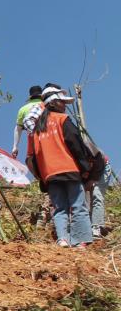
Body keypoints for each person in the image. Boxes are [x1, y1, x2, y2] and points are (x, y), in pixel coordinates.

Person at [26, 85, 94, 249]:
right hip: (69, 169)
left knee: (59, 208)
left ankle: (63, 239)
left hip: (50, 175)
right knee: (78, 206)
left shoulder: (37, 129)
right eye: (62, 102)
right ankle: (80, 241)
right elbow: (75, 144)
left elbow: (35, 156)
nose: (64, 105)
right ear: (53, 103)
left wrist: (42, 178)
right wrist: (85, 167)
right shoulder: (62, 119)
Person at [11, 85, 43, 159]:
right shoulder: (47, 106)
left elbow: (18, 129)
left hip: (33, 146)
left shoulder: (23, 109)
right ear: (42, 95)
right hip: (50, 141)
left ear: (30, 96)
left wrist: (15, 146)